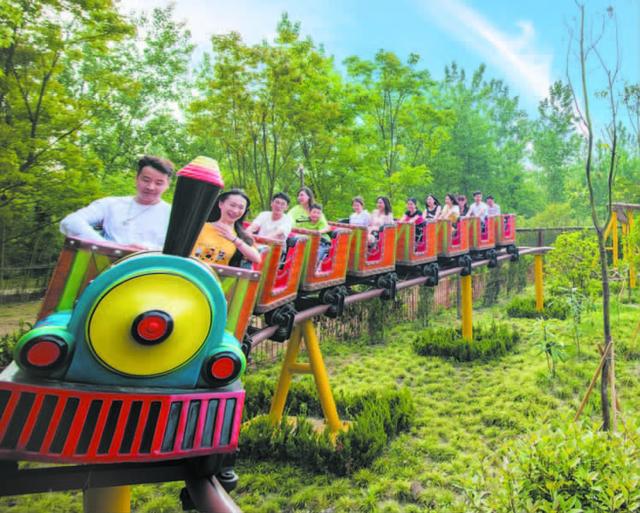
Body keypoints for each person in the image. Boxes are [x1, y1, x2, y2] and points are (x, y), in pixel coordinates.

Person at [60, 155, 174, 249]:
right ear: (136, 178)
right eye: (146, 180)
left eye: (159, 183)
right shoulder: (110, 204)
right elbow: (71, 221)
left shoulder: (173, 215)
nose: (150, 187)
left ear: (168, 185)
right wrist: (109, 247)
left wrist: (147, 250)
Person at [193, 189, 262, 266]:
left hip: (216, 273)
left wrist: (234, 239)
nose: (235, 210)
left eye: (241, 207)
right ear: (220, 204)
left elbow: (257, 259)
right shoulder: (201, 227)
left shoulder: (241, 236)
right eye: (232, 205)